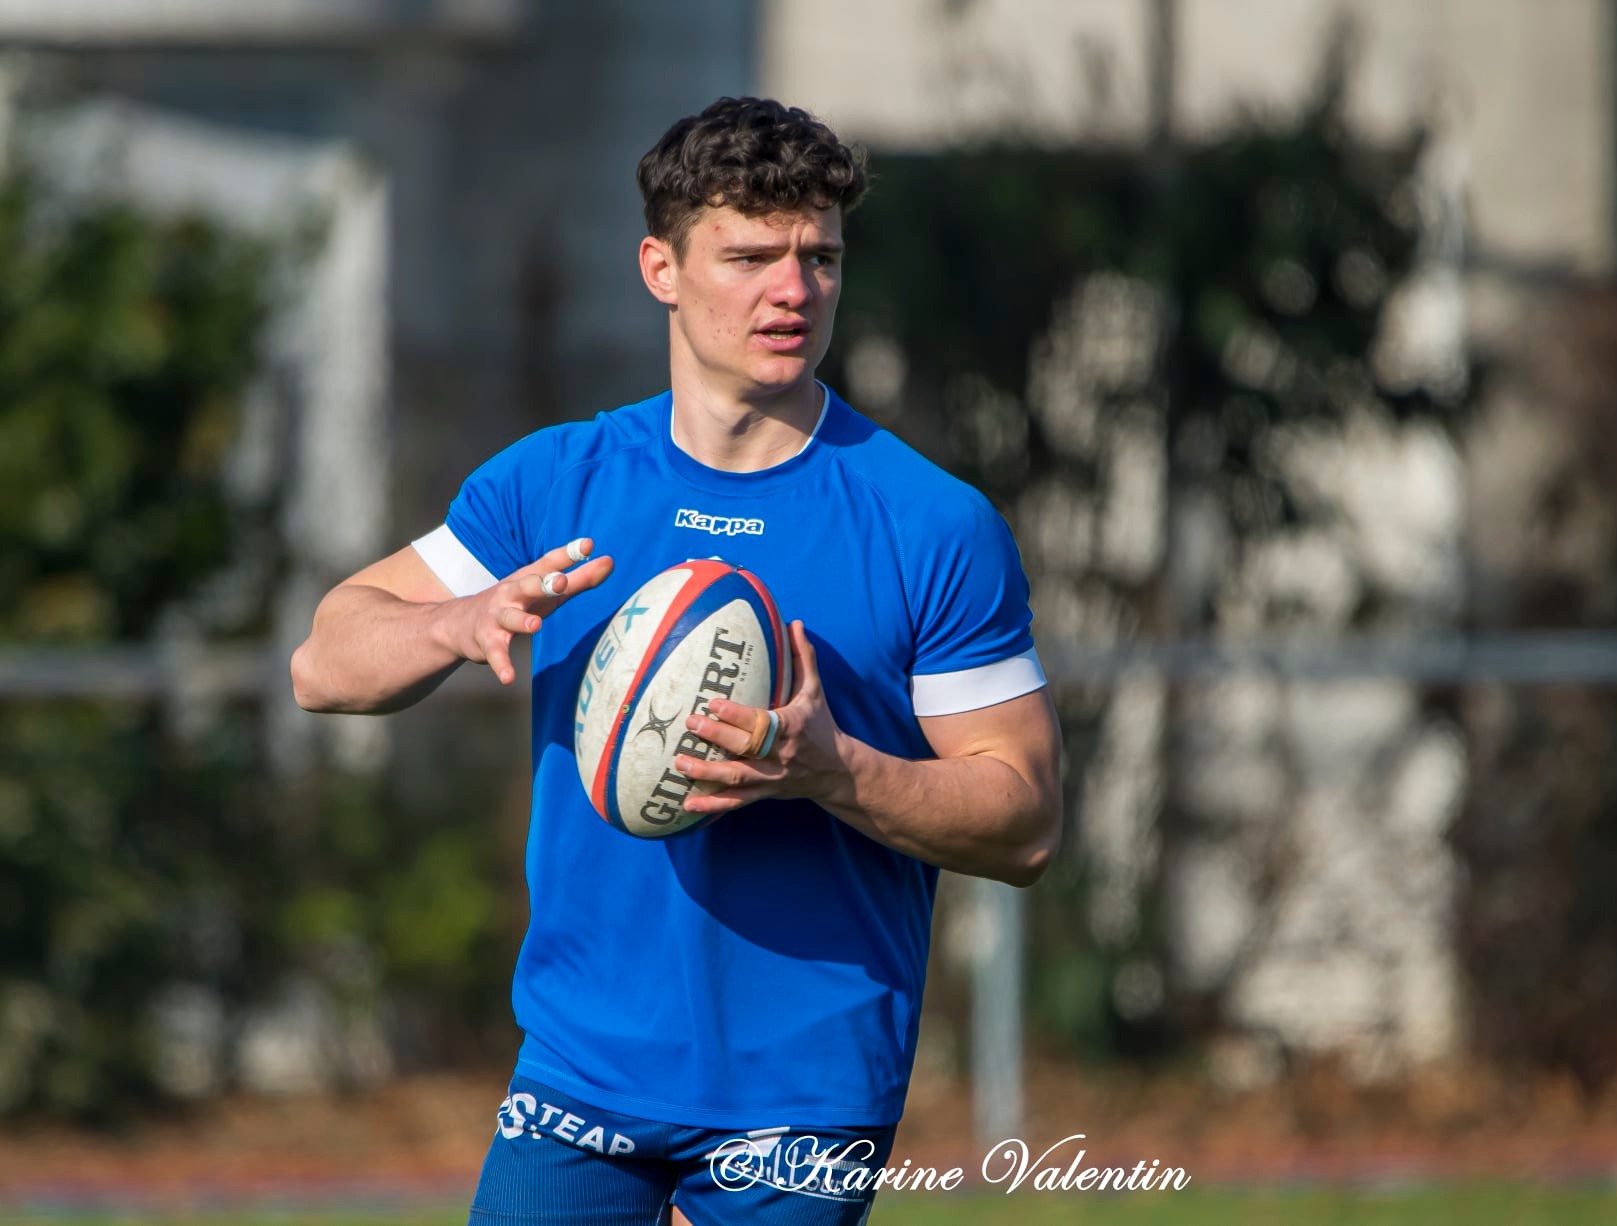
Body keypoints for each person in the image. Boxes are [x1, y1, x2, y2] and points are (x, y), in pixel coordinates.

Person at [291, 96, 1062, 1226]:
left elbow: (1025, 818)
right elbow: (324, 660)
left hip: (802, 1092)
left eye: (818, 257)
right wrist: (454, 625)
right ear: (660, 266)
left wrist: (833, 770)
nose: (792, 291)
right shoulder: (556, 485)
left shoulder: (927, 524)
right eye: (749, 256)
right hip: (577, 1073)